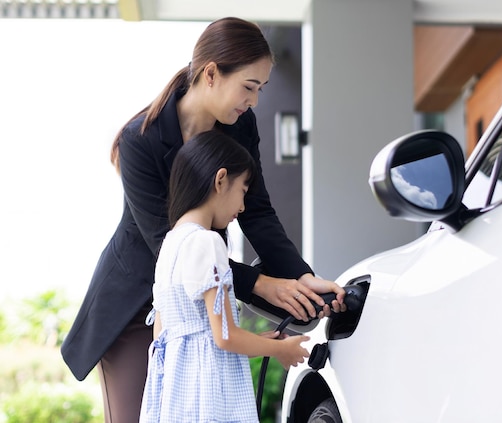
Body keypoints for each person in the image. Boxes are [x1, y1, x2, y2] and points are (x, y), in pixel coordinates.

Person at [61, 16, 344, 423]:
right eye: (249, 87)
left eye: (261, 89)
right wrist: (263, 284)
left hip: (204, 305)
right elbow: (171, 245)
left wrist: (300, 280)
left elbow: (258, 209)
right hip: (139, 307)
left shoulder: (239, 125)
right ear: (211, 73)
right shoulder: (139, 140)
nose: (255, 102)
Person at [139, 130, 310, 422]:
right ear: (220, 180)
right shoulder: (207, 242)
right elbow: (224, 336)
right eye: (243, 190)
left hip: (177, 399)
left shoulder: (169, 245)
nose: (242, 207)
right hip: (210, 399)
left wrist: (254, 340)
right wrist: (279, 349)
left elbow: (171, 336)